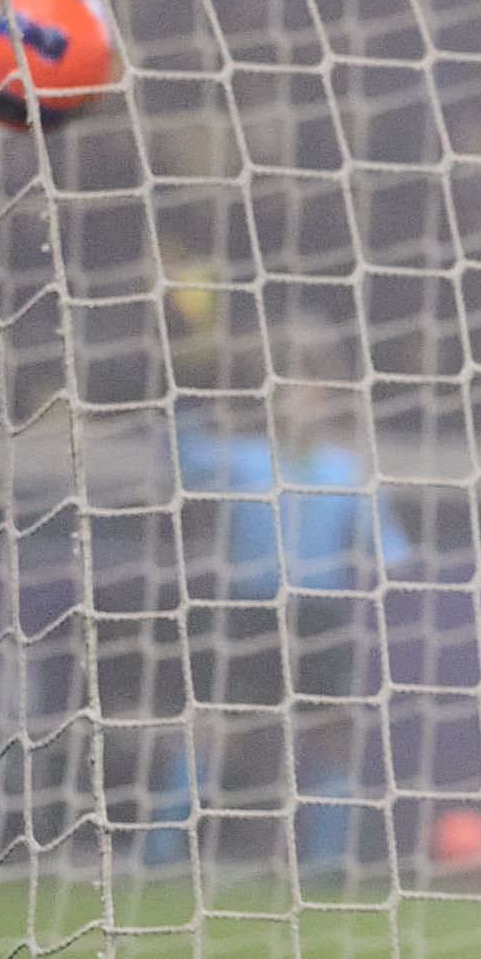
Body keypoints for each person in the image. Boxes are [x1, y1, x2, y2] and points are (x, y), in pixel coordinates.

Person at [165, 374, 407, 874]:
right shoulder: (245, 459)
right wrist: (180, 392)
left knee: (333, 736)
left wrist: (393, 562)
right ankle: (161, 847)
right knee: (214, 728)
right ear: (271, 408)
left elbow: (386, 543)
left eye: (312, 396)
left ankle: (326, 861)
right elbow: (184, 462)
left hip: (320, 613)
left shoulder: (345, 469)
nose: (301, 407)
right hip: (253, 610)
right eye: (288, 398)